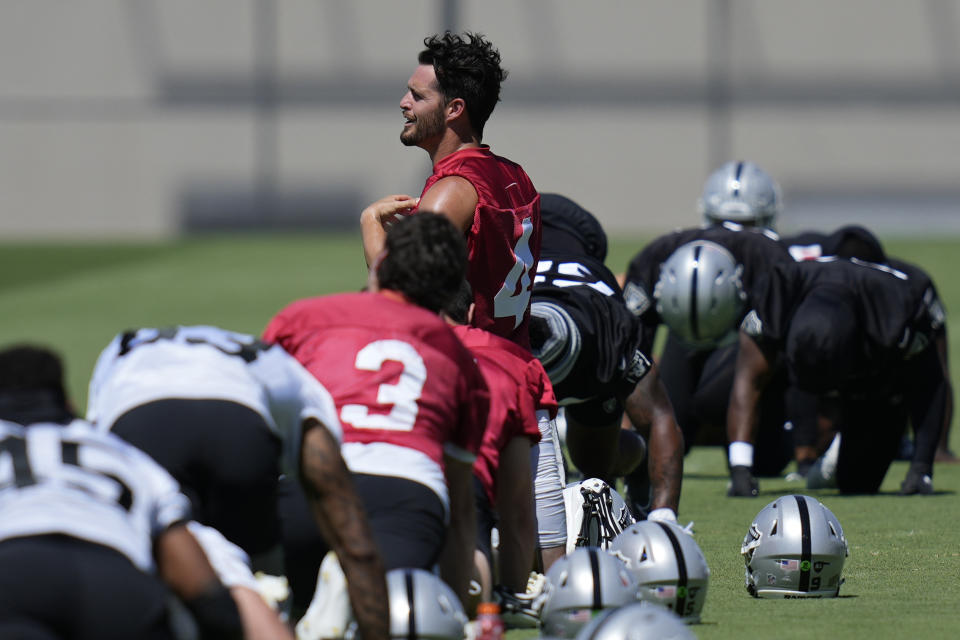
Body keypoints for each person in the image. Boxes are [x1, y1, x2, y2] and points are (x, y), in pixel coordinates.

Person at [85, 326, 389, 638]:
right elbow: (355, 542)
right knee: (259, 586)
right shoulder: (275, 361)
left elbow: (97, 446)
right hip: (238, 432)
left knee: (149, 577)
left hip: (140, 424)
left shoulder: (119, 347)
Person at [264, 213, 490, 611]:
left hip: (309, 491)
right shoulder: (457, 354)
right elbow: (460, 502)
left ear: (382, 265)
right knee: (394, 612)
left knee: (294, 605)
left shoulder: (302, 318)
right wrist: (456, 609)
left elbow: (260, 422)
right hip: (405, 495)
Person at [0, 344, 244, 640]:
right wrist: (224, 620)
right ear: (67, 403)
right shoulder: (118, 452)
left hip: (11, 574)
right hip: (112, 578)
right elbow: (198, 583)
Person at [360, 31, 541, 349]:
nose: (404, 103)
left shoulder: (452, 190)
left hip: (473, 371)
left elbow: (400, 296)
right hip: (517, 367)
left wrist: (370, 222)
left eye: (417, 96)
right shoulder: (516, 175)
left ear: (454, 109)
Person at [726, 256, 949, 496]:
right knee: (765, 458)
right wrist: (740, 467)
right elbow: (748, 379)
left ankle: (847, 444)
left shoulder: (897, 315)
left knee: (858, 483)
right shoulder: (777, 298)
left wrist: (921, 467)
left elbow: (930, 384)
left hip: (873, 383)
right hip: (806, 363)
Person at [529, 193, 684, 521]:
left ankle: (639, 465)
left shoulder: (610, 330)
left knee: (595, 466)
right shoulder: (501, 321)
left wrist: (664, 521)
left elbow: (657, 417)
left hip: (587, 339)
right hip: (552, 337)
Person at [621, 223, 802, 480]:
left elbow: (776, 356)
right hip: (679, 340)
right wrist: (624, 435)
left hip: (743, 340)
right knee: (666, 438)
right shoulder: (653, 260)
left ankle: (800, 441)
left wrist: (742, 465)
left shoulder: (766, 262)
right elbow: (632, 354)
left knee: (764, 459)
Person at [780, 223, 956, 464]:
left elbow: (936, 373)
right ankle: (800, 449)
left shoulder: (910, 291)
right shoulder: (798, 284)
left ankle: (890, 440)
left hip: (878, 389)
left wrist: (935, 451)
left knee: (859, 476)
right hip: (823, 372)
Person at [441, 281, 564, 618]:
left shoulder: (401, 344)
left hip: (382, 482)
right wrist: (512, 592)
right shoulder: (516, 360)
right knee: (476, 580)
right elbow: (521, 506)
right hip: (469, 484)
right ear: (470, 312)